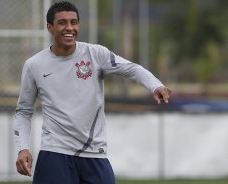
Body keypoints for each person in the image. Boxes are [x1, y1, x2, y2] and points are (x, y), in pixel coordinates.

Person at [14, 1, 171, 184]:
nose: (69, 28)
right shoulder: (34, 65)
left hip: (94, 153)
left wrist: (155, 85)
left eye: (74, 22)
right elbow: (23, 111)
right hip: (55, 152)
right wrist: (22, 147)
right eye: (62, 22)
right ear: (50, 27)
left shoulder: (96, 54)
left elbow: (131, 68)